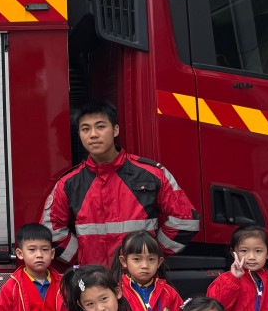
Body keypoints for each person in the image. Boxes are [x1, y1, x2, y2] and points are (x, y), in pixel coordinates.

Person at [41, 100, 200, 267]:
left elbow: (185, 221)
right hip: (94, 279)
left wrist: (151, 254)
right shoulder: (69, 183)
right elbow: (51, 230)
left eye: (100, 126)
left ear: (115, 130)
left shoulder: (152, 174)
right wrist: (81, 256)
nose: (93, 135)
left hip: (139, 278)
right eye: (85, 129)